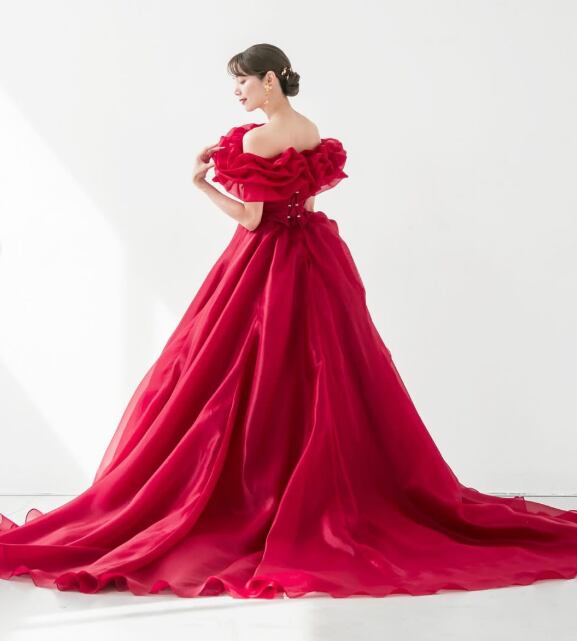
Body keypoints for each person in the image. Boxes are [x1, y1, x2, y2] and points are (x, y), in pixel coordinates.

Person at [2, 43, 577, 600]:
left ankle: (255, 489)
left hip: (266, 262)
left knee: (228, 372)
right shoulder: (310, 130)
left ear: (270, 80)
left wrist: (202, 184)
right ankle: (316, 486)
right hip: (313, 259)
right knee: (320, 374)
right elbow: (304, 201)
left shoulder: (256, 139)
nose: (237, 91)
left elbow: (253, 219)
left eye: (242, 80)